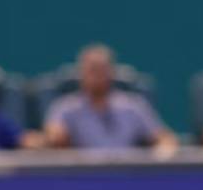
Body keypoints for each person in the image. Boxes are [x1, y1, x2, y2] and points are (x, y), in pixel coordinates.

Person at [44, 44, 177, 150]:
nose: (96, 77)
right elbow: (52, 135)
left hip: (129, 176)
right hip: (82, 177)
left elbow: (164, 138)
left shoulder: (134, 106)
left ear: (112, 72)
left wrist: (162, 155)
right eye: (92, 70)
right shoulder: (64, 107)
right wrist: (55, 139)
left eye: (101, 70)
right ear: (81, 73)